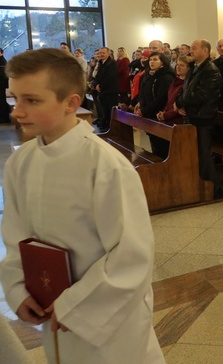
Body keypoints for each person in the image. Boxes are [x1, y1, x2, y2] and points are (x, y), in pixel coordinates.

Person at [0, 48, 164, 363]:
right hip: (48, 304)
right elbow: (14, 234)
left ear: (71, 103)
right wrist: (18, 288)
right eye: (15, 98)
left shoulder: (105, 166)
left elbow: (132, 254)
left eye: (31, 101)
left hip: (108, 318)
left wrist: (75, 306)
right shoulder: (21, 161)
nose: (17, 111)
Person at [175, 39, 223, 195]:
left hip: (204, 117)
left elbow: (201, 95)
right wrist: (179, 102)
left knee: (204, 153)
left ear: (205, 51)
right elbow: (185, 89)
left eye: (194, 48)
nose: (191, 51)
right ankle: (199, 184)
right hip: (193, 116)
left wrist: (182, 102)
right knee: (195, 152)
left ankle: (213, 188)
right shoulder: (193, 68)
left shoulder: (211, 71)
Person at [134, 52, 174, 158]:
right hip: (150, 113)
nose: (152, 62)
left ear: (163, 63)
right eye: (151, 59)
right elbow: (144, 92)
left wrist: (144, 110)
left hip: (159, 115)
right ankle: (156, 162)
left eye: (155, 59)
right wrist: (140, 103)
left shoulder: (166, 77)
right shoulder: (150, 74)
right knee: (154, 143)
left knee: (162, 145)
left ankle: (162, 164)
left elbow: (161, 99)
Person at [157, 55, 190, 125]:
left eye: (182, 65)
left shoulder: (187, 84)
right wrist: (163, 112)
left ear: (189, 68)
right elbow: (169, 101)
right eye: (177, 64)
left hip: (179, 121)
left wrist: (166, 115)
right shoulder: (174, 81)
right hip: (168, 118)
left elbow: (180, 107)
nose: (178, 67)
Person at [91, 46, 118, 129]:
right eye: (100, 53)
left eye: (103, 53)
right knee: (104, 108)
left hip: (110, 90)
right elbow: (98, 75)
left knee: (109, 109)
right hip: (103, 90)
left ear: (108, 53)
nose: (101, 54)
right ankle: (105, 122)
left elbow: (110, 77)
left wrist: (100, 86)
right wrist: (95, 84)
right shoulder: (101, 62)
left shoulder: (111, 63)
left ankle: (110, 126)